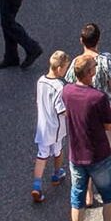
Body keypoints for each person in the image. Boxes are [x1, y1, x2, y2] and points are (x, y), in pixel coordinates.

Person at [61, 56, 111, 221]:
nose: (95, 68)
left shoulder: (67, 91)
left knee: (77, 198)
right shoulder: (98, 97)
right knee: (109, 196)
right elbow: (109, 124)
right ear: (90, 73)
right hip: (99, 155)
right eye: (94, 66)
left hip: (76, 156)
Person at [30, 49, 72, 206]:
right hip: (55, 127)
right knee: (58, 151)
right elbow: (61, 110)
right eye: (66, 68)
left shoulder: (41, 80)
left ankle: (37, 185)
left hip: (42, 126)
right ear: (60, 68)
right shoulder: (60, 87)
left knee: (42, 154)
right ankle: (57, 173)